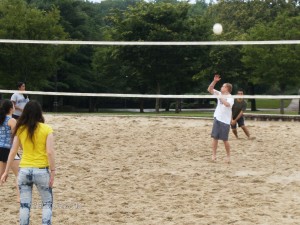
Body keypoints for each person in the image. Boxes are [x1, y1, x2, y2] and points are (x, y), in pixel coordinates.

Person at [0, 100, 56, 225]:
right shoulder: (47, 129)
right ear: (39, 113)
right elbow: (50, 152)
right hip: (41, 170)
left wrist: (6, 171)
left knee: (25, 206)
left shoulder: (20, 129)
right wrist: (53, 171)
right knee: (47, 203)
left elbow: (13, 152)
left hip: (24, 170)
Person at [207, 74, 234, 163]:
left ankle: (228, 156)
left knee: (225, 140)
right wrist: (214, 81)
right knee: (215, 138)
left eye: (223, 86)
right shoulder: (219, 93)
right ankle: (214, 155)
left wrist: (220, 97)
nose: (221, 87)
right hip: (217, 118)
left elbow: (227, 104)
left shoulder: (230, 97)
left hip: (225, 121)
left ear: (227, 89)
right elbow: (210, 89)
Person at [0, 99, 20, 202]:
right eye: (13, 106)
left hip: (0, 149)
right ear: (11, 109)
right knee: (19, 174)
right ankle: (19, 197)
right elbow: (15, 137)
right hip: (9, 149)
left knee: (1, 174)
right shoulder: (11, 120)